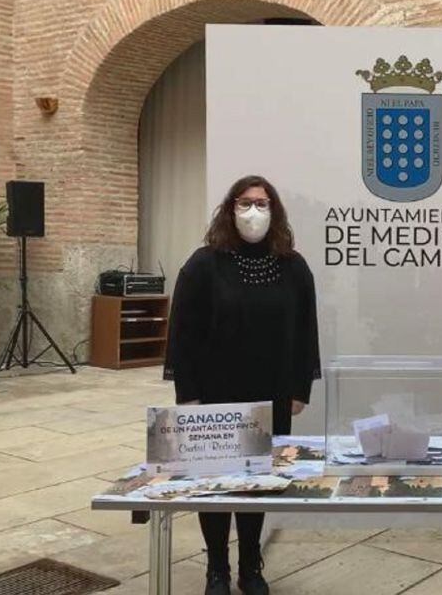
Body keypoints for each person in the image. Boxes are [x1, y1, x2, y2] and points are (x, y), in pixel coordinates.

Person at [164, 175, 320, 595]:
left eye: (264, 203)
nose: (255, 211)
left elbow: (307, 331)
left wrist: (299, 388)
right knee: (214, 484)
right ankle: (217, 567)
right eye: (246, 202)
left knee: (256, 484)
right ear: (230, 209)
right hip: (217, 392)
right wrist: (188, 393)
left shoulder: (293, 267)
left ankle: (251, 564)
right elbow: (182, 332)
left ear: (276, 211)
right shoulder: (204, 263)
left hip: (271, 392)